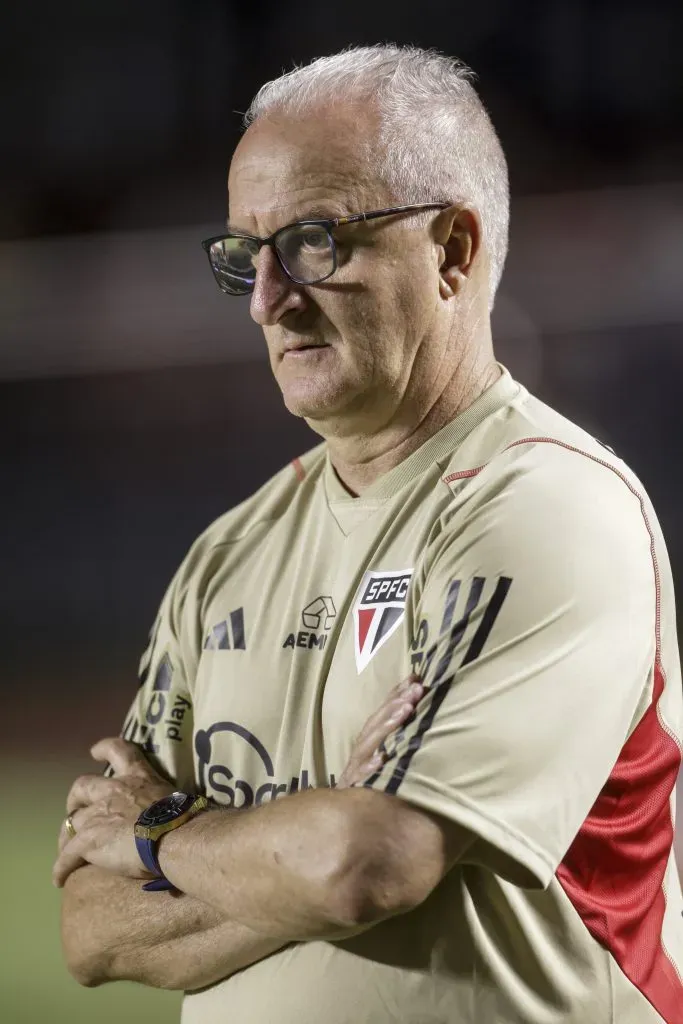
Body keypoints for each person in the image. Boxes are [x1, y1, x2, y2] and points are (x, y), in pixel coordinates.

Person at [54, 44, 683, 1024]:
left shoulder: (549, 508)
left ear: (452, 252)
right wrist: (290, 840)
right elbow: (91, 925)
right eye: (243, 256)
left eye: (313, 241)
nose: (267, 298)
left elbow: (366, 864)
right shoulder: (229, 552)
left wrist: (169, 831)